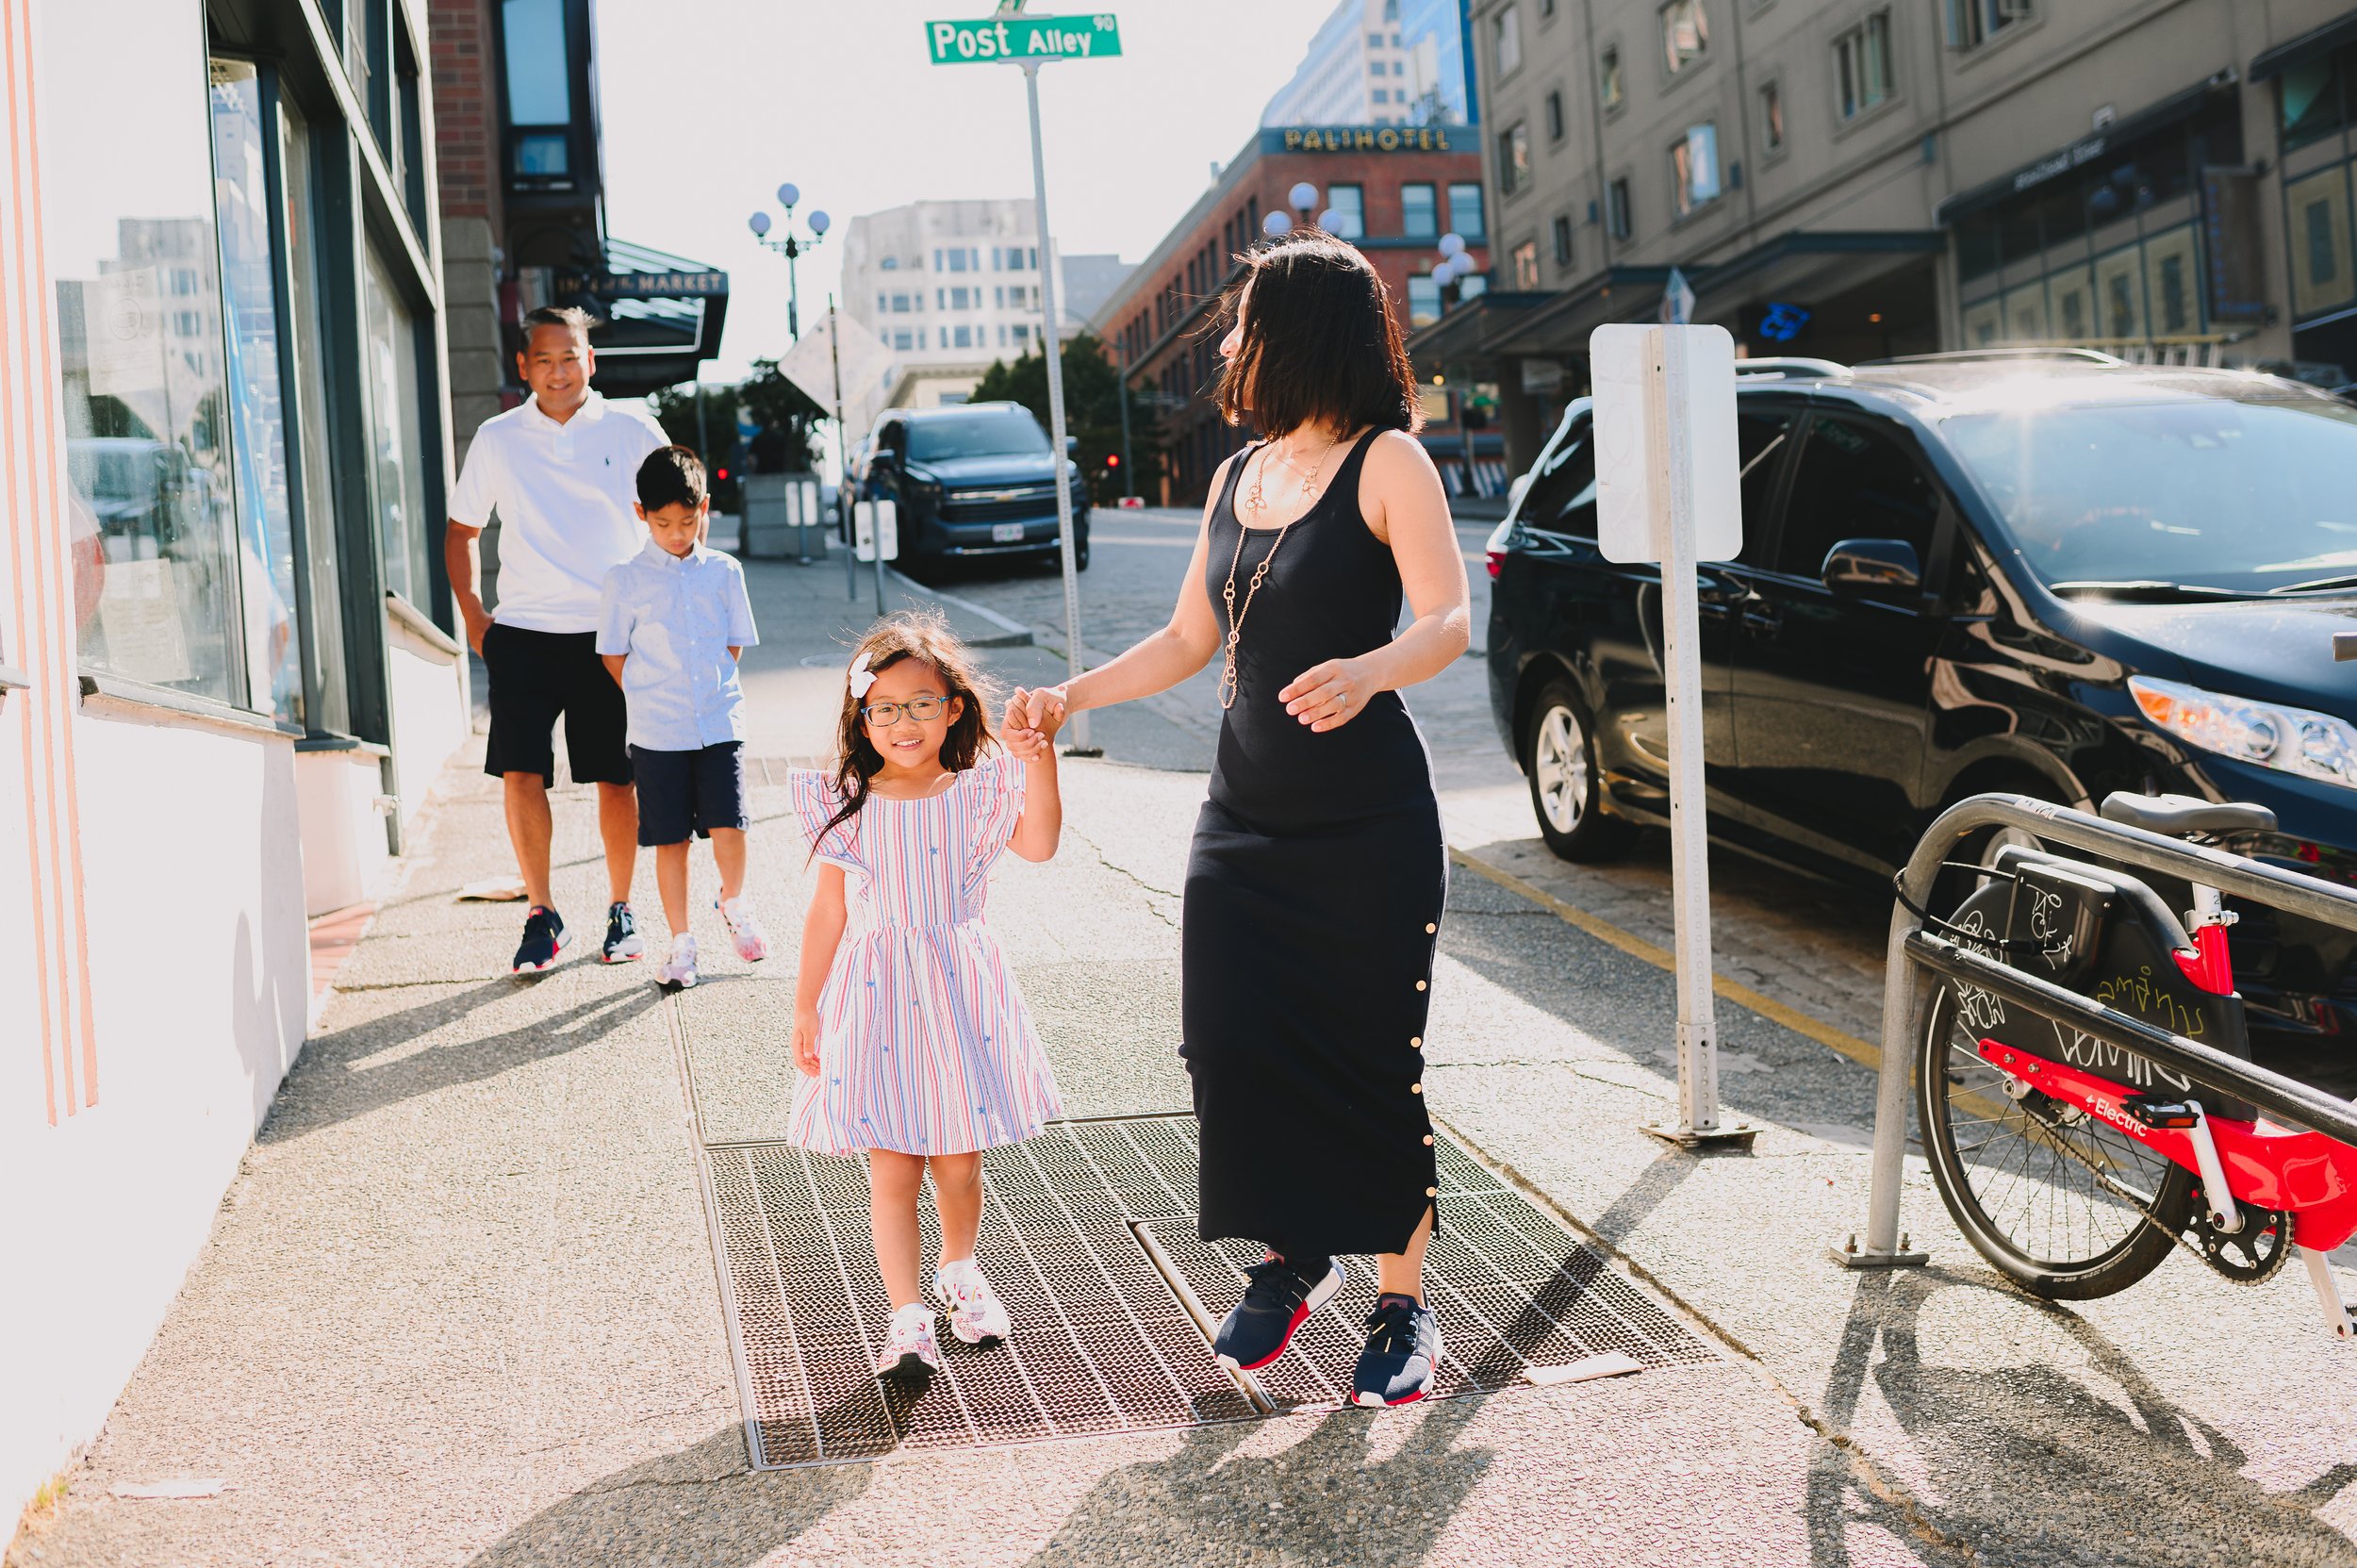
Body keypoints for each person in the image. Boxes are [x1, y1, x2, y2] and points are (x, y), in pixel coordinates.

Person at [1010, 234, 1472, 1408]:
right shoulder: (1235, 476)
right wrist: (1072, 695)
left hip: (1367, 826)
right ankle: (1292, 1253)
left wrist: (1370, 670)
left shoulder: (1389, 463)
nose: (1225, 344)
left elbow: (1448, 619)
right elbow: (1184, 641)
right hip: (1242, 819)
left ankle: (1404, 1308)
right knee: (1231, 1045)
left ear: (1303, 333)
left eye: (1244, 323)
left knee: (1372, 1064)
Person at [787, 613, 1065, 1378]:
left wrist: (1038, 760)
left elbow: (1040, 843)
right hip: (875, 997)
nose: (903, 721)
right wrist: (806, 1003)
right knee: (893, 1167)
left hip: (959, 989)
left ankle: (961, 1270)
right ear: (863, 717)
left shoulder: (978, 790)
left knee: (957, 1161)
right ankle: (906, 1315)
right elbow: (829, 911)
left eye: (921, 703)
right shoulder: (848, 799)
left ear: (952, 709)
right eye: (885, 707)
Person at [446, 305, 668, 974]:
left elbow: (679, 514)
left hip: (611, 636)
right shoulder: (498, 437)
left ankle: (621, 910)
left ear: (590, 361)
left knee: (615, 778)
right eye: (543, 359)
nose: (558, 371)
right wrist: (474, 617)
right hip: (524, 632)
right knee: (521, 773)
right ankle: (542, 913)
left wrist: (667, 610)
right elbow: (462, 530)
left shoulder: (633, 429)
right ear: (523, 367)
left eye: (569, 357)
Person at [596, 446, 768, 991]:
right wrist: (649, 694)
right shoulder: (624, 580)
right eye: (664, 522)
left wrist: (706, 690)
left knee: (730, 824)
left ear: (706, 509)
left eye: (688, 521)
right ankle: (681, 941)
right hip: (657, 733)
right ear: (640, 513)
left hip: (719, 722)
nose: (677, 532)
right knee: (670, 840)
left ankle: (734, 900)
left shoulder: (724, 572)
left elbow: (734, 645)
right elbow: (612, 655)